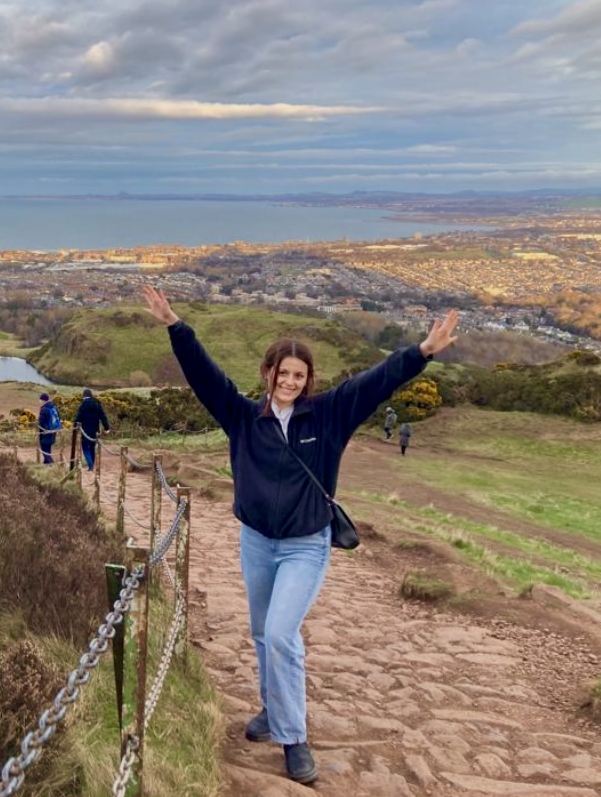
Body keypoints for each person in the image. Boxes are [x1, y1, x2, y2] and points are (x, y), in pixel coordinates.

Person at [141, 284, 458, 785]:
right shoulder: (245, 418)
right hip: (256, 542)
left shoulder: (329, 415)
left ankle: (293, 736)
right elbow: (204, 376)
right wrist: (174, 325)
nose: (289, 381)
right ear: (268, 375)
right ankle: (271, 712)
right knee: (264, 634)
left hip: (305, 545)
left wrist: (420, 353)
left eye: (298, 374)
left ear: (308, 380)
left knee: (284, 634)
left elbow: (376, 382)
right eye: (282, 373)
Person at [74, 387, 111, 471]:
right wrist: (107, 428)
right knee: (91, 447)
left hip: (85, 431)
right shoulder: (97, 403)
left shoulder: (83, 405)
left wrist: (74, 427)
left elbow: (78, 417)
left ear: (84, 396)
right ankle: (92, 465)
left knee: (85, 448)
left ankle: (90, 466)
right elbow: (103, 416)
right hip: (95, 430)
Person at [37, 393, 61, 464]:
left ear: (43, 400)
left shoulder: (44, 409)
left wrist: (41, 429)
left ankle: (50, 463)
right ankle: (46, 463)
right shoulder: (54, 407)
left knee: (44, 449)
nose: (39, 401)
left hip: (45, 432)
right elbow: (58, 418)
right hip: (53, 431)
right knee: (48, 448)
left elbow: (41, 422)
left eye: (40, 400)